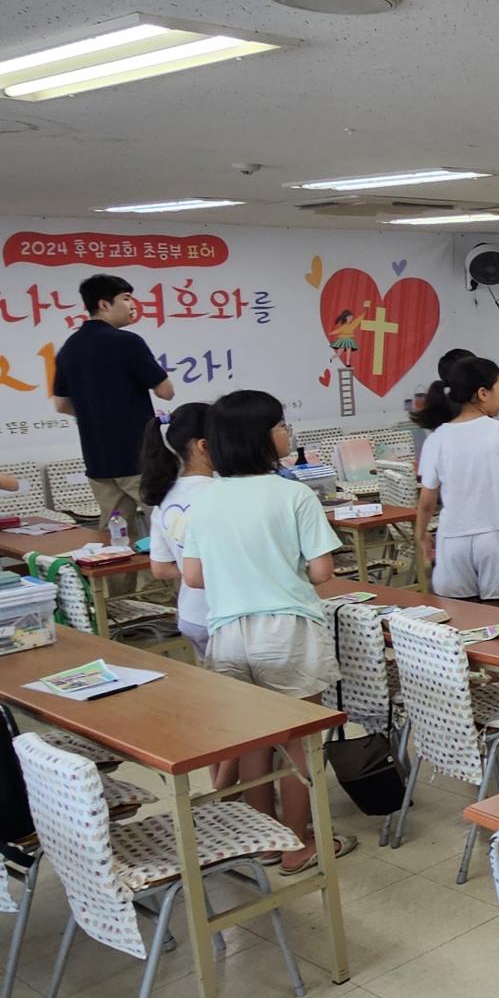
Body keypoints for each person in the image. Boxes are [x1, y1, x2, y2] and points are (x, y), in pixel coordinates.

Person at [181, 390, 357, 875]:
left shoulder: (206, 500)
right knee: (299, 743)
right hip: (288, 631)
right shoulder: (294, 494)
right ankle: (298, 844)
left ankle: (263, 840)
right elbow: (321, 572)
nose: (287, 432)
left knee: (253, 742)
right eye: (281, 425)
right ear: (259, 436)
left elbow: (193, 576)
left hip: (228, 633)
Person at [51, 273, 175, 538]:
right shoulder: (128, 341)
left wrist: (96, 412)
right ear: (104, 304)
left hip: (98, 459)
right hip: (139, 457)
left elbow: (61, 405)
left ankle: (119, 568)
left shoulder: (69, 348)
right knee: (167, 527)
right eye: (126, 298)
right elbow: (166, 391)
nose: (132, 305)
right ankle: (164, 569)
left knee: (116, 538)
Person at [411, 355, 499, 601]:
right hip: (496, 539)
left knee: (460, 615)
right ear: (483, 393)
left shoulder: (437, 438)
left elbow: (426, 501)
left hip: (452, 539)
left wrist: (422, 534)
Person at [140, 403, 216, 659]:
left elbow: (160, 569)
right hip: (225, 614)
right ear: (203, 445)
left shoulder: (163, 498)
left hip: (192, 615)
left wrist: (190, 568)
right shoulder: (221, 492)